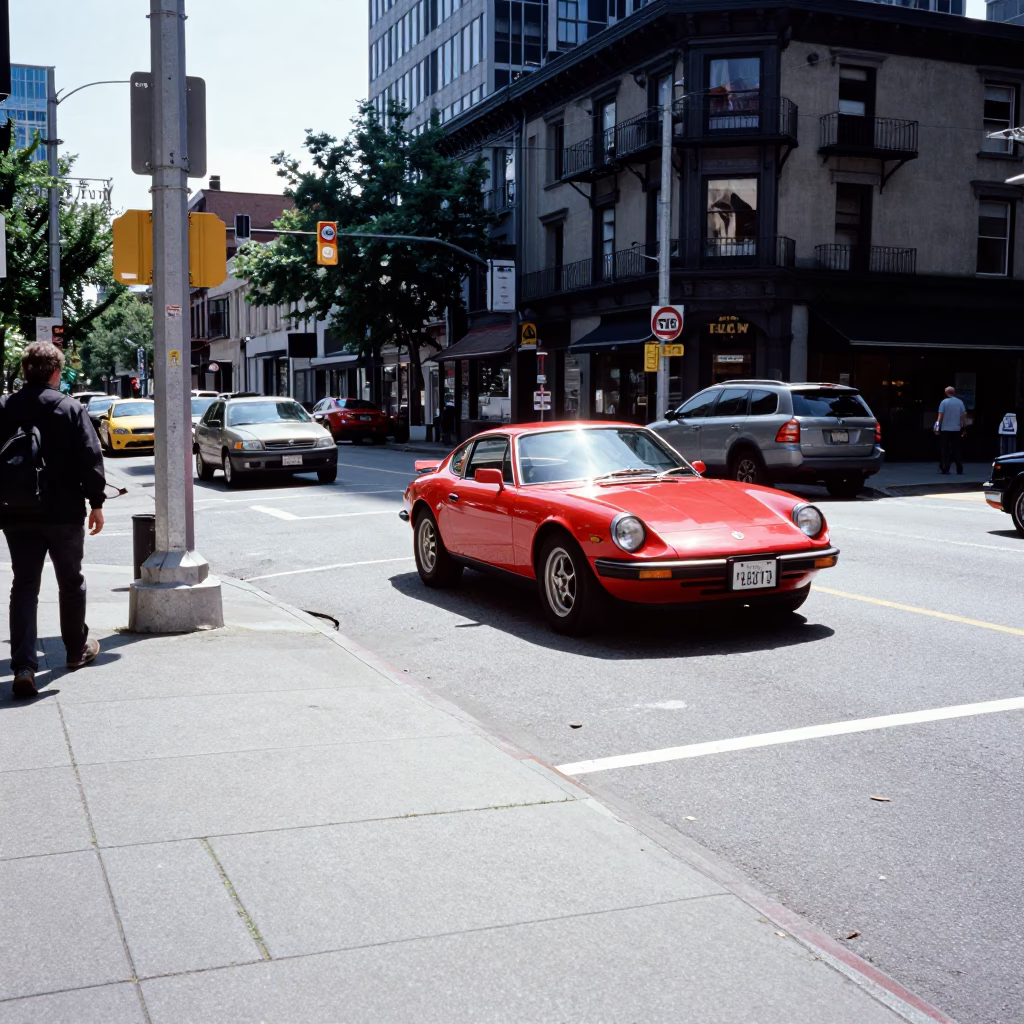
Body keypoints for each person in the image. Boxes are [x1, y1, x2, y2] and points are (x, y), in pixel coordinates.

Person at [1, 343, 106, 699]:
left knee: (24, 585)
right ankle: (75, 651)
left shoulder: (5, 407)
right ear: (55, 372)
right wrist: (96, 502)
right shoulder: (70, 408)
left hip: (16, 511)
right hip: (63, 512)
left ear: (26, 370)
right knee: (70, 581)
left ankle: (24, 666)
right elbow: (91, 458)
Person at [934, 385, 967, 475]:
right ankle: (959, 468)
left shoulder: (944, 402)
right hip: (956, 429)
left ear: (946, 393)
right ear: (954, 393)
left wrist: (937, 427)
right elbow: (964, 416)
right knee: (956, 449)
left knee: (945, 449)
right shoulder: (960, 402)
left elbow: (940, 416)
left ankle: (945, 468)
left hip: (945, 429)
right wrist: (964, 427)